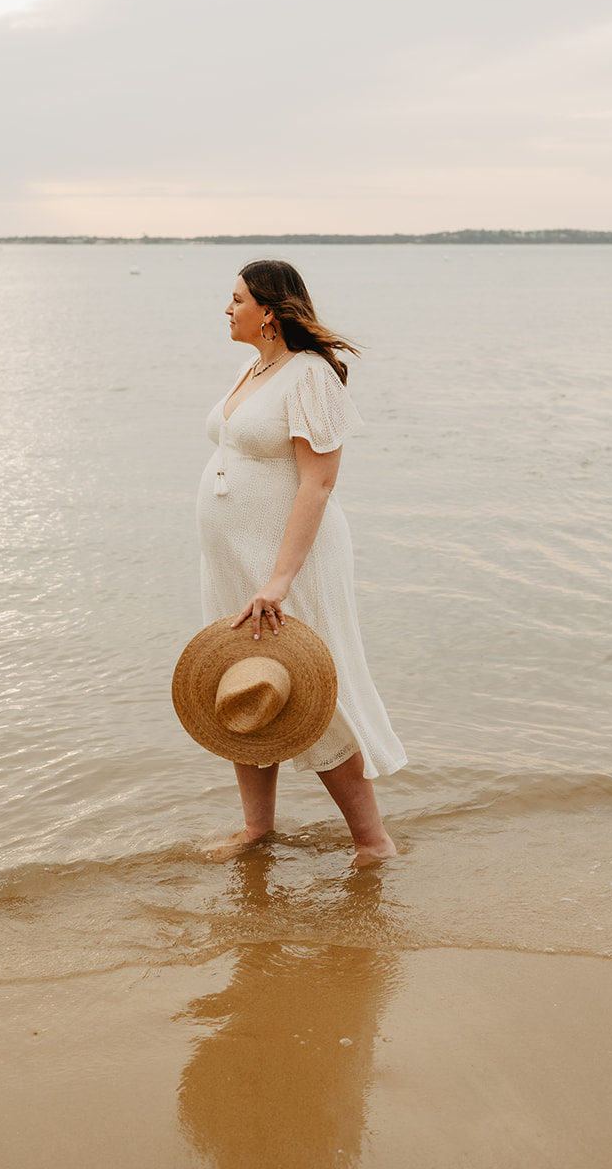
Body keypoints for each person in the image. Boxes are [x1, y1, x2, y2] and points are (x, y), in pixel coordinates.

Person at [197, 258, 406, 865]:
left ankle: (373, 841)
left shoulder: (310, 376)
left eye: (236, 299)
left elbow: (317, 486)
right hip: (232, 558)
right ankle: (256, 828)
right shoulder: (253, 367)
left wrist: (279, 580)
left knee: (314, 690)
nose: (227, 309)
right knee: (245, 683)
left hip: (286, 561)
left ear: (269, 311)